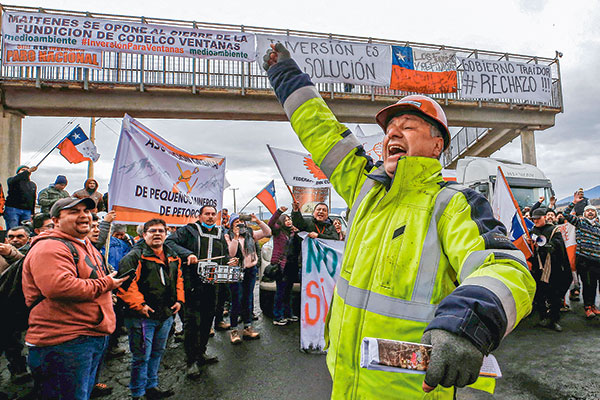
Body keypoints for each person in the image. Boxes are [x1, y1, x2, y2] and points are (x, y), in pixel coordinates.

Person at [263, 43, 535, 399]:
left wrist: (466, 324)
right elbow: (321, 130)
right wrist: (284, 74)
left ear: (437, 146)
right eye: (390, 129)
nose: (393, 134)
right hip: (346, 383)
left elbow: (505, 268)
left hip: (411, 391)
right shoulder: (364, 187)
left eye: (407, 127)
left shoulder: (453, 204)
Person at [21, 197, 126, 399]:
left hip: (89, 337)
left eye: (86, 211)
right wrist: (107, 284)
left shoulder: (84, 244)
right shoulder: (50, 247)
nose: (84, 215)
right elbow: (60, 287)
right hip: (65, 343)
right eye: (74, 211)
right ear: (55, 220)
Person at [165, 205, 237, 378]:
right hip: (192, 284)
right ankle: (191, 361)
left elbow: (223, 254)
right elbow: (169, 242)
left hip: (213, 284)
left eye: (213, 214)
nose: (211, 217)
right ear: (200, 215)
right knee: (192, 324)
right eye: (207, 214)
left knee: (207, 320)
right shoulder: (189, 230)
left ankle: (201, 353)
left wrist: (228, 261)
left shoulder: (220, 233)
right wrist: (187, 254)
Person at [118, 218, 184, 399]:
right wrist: (140, 306)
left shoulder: (172, 255)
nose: (157, 234)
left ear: (166, 233)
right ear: (144, 234)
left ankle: (151, 387)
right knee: (141, 358)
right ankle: (137, 393)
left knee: (157, 353)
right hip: (142, 317)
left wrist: (179, 300)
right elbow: (125, 285)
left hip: (166, 315)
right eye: (152, 231)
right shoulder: (134, 257)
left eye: (161, 231)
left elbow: (178, 279)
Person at [225, 213, 271, 343]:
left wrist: (258, 221)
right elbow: (231, 252)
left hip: (250, 270)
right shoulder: (228, 235)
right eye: (235, 221)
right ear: (231, 224)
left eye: (241, 221)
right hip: (236, 271)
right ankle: (234, 330)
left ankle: (247, 328)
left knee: (248, 299)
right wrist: (235, 236)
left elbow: (268, 232)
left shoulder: (250, 233)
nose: (239, 223)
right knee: (236, 300)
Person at [528, 208, 571, 331]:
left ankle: (554, 320)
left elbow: (558, 245)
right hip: (537, 268)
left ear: (545, 217)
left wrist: (547, 246)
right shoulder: (532, 231)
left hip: (553, 268)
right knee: (539, 294)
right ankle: (543, 317)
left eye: (538, 218)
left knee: (555, 295)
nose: (535, 220)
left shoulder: (554, 230)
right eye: (533, 219)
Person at [562, 198, 600, 319]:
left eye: (592, 211)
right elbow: (565, 215)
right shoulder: (580, 222)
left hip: (597, 260)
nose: (590, 212)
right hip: (584, 259)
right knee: (588, 284)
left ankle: (593, 305)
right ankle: (587, 307)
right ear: (584, 214)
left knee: (594, 285)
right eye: (587, 211)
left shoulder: (599, 226)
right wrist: (573, 203)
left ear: (596, 214)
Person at [268, 206, 298, 325]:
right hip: (281, 266)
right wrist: (279, 211)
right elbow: (271, 223)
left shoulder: (293, 232)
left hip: (291, 265)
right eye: (285, 220)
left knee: (288, 291)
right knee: (280, 291)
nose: (288, 221)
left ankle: (288, 313)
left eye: (289, 219)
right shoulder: (278, 231)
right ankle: (277, 316)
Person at [4, 165, 37, 229]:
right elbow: (15, 180)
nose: (25, 172)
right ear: (18, 172)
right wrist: (27, 171)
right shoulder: (12, 180)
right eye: (23, 170)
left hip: (27, 211)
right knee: (13, 229)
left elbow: (33, 199)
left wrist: (32, 212)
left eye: (27, 170)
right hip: (13, 209)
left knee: (26, 230)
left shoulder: (32, 184)